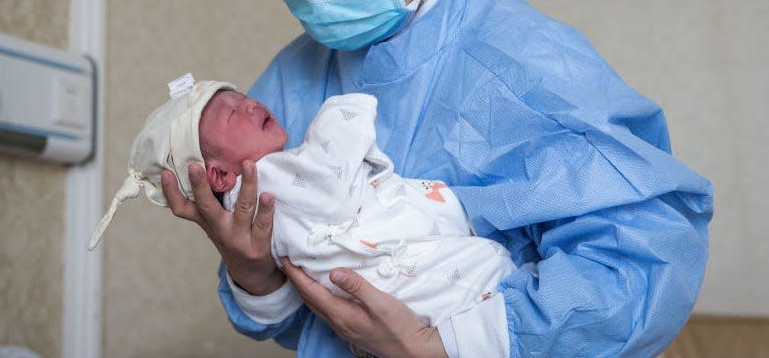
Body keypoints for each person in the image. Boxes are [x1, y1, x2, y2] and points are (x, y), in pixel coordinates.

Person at [160, 0, 713, 358]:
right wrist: (254, 274)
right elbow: (311, 312)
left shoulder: (527, 65)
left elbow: (646, 264)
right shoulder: (292, 77)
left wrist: (445, 346)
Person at [89, 77, 516, 332]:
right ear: (217, 176)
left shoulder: (267, 192)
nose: (252, 103)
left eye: (242, 98)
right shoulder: (262, 186)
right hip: (434, 289)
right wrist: (344, 112)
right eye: (233, 114)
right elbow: (331, 185)